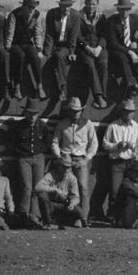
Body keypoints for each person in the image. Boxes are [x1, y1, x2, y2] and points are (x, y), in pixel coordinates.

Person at [92, 98, 138, 223]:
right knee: (115, 190)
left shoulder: (137, 128)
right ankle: (113, 215)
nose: (128, 114)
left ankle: (128, 215)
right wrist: (118, 146)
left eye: (131, 112)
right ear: (122, 111)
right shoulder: (113, 126)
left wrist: (134, 147)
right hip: (117, 162)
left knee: (134, 189)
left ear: (134, 113)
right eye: (126, 111)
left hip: (131, 162)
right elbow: (105, 144)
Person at [51, 96, 98, 227]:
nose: (76, 113)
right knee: (66, 189)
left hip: (81, 159)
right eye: (73, 110)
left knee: (83, 188)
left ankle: (83, 218)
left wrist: (86, 159)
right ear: (69, 111)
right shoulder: (62, 124)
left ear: (81, 111)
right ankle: (69, 218)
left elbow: (94, 144)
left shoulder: (87, 124)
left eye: (78, 111)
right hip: (66, 159)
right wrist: (59, 156)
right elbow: (55, 142)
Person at [7, 98, 53, 227]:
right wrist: (20, 152)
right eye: (30, 113)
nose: (32, 116)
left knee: (37, 188)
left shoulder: (42, 126)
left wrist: (40, 151)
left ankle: (35, 216)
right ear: (26, 113)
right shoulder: (18, 126)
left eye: (35, 114)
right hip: (23, 159)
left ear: (38, 114)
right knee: (27, 187)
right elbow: (10, 144)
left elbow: (48, 143)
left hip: (38, 158)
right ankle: (23, 216)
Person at [103, 0, 138, 97]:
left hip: (130, 46)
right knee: (124, 59)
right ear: (118, 9)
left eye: (127, 10)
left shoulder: (135, 18)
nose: (125, 13)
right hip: (116, 49)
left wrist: (137, 43)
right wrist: (129, 52)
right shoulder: (111, 22)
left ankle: (133, 85)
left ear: (130, 9)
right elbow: (112, 43)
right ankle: (134, 86)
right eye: (122, 10)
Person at [5, 0, 46, 100]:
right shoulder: (14, 14)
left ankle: (40, 86)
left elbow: (37, 33)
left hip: (27, 43)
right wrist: (8, 48)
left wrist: (39, 49)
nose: (32, 10)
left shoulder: (37, 15)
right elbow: (10, 32)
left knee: (34, 56)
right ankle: (17, 87)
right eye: (30, 7)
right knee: (20, 56)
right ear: (24, 6)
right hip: (15, 43)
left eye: (33, 7)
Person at [42, 0, 80, 101]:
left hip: (67, 46)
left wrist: (72, 52)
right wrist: (47, 53)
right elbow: (49, 35)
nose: (67, 8)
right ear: (60, 5)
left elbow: (73, 37)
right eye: (64, 5)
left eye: (69, 5)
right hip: (54, 44)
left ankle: (63, 87)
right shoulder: (51, 14)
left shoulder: (75, 16)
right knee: (46, 61)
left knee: (59, 56)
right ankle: (48, 90)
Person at [75, 0, 109, 110]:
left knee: (103, 63)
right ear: (85, 3)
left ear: (97, 4)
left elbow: (104, 35)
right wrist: (86, 47)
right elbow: (77, 38)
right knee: (89, 65)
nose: (91, 7)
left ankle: (103, 96)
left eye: (94, 4)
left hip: (98, 48)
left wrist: (99, 47)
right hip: (84, 49)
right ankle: (98, 96)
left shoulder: (101, 17)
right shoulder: (78, 16)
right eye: (89, 4)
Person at [34, 158, 81, 229]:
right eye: (64, 167)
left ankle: (62, 223)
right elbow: (37, 187)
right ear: (59, 166)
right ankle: (48, 223)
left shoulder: (72, 178)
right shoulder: (51, 174)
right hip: (51, 204)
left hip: (64, 205)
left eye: (68, 168)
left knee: (79, 212)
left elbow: (76, 197)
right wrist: (54, 190)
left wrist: (72, 204)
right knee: (42, 195)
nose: (66, 169)